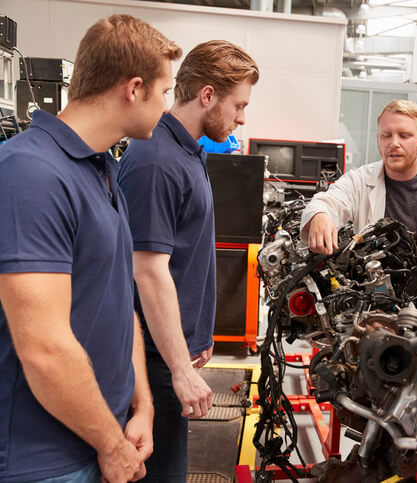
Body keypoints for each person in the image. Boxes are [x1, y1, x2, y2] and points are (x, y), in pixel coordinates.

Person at [0, 15, 180, 483]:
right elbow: (43, 348)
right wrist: (111, 444)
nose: (167, 107)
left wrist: (141, 403)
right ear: (134, 88)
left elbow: (120, 304)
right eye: (165, 92)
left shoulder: (102, 170)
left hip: (101, 438)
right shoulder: (30, 173)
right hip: (40, 462)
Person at [119, 40, 259, 482]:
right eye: (238, 105)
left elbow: (181, 254)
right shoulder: (156, 160)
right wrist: (179, 367)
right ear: (207, 95)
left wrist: (197, 335)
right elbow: (147, 270)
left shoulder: (187, 151)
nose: (241, 117)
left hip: (169, 352)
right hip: (152, 361)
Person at [300, 99, 417, 330]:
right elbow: (329, 200)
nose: (393, 143)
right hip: (375, 311)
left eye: (404, 135)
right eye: (386, 135)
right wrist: (320, 214)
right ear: (378, 139)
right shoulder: (361, 181)